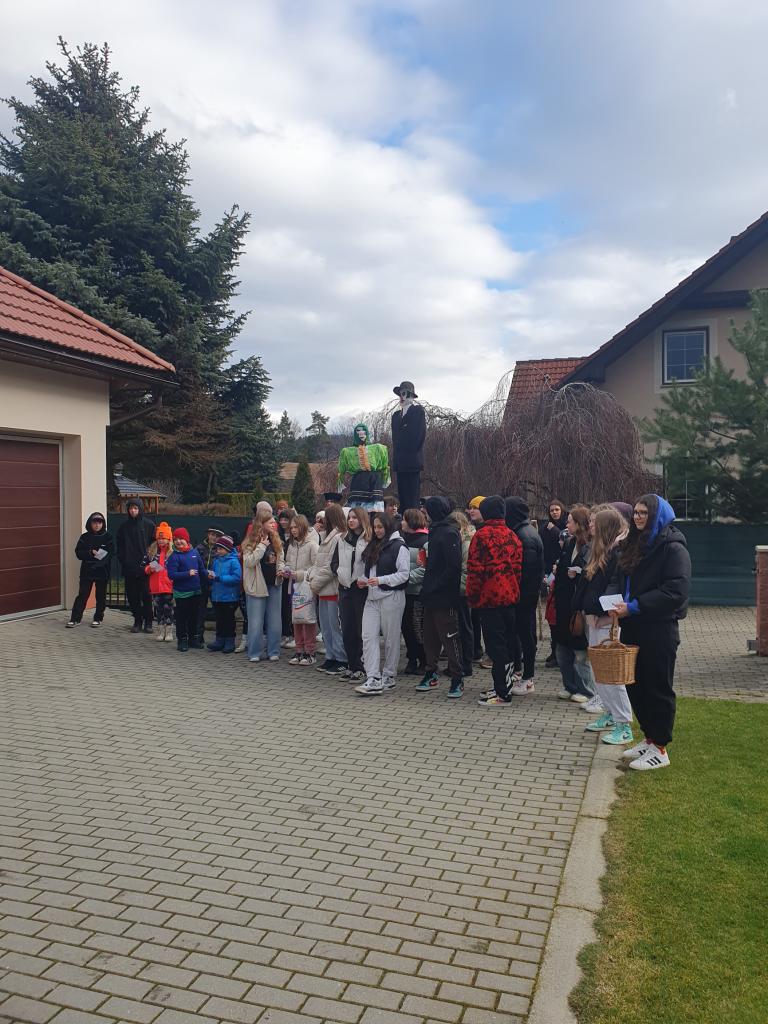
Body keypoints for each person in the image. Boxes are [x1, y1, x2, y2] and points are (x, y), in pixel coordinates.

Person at [611, 495, 691, 770]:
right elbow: (623, 578)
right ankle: (649, 738)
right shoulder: (634, 543)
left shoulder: (673, 547)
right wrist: (617, 603)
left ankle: (660, 748)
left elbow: (676, 591)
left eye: (644, 513)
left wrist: (635, 606)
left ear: (657, 515)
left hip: (659, 627)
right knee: (635, 685)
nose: (638, 517)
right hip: (633, 624)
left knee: (657, 687)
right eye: (635, 512)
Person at [577, 507, 634, 746]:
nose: (590, 525)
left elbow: (614, 590)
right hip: (596, 619)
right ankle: (610, 713)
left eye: (594, 522)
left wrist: (601, 612)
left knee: (612, 676)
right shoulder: (600, 551)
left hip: (608, 622)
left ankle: (624, 724)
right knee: (599, 673)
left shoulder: (617, 555)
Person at [467, 496, 522, 707]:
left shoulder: (482, 536)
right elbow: (517, 569)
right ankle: (503, 686)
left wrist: (473, 597)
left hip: (489, 599)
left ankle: (502, 693)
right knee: (507, 643)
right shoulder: (512, 535)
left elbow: (475, 570)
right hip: (510, 597)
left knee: (495, 647)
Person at [354, 513, 410, 696]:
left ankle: (389, 674)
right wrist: (363, 580)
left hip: (391, 596)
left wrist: (381, 580)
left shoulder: (399, 546)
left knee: (391, 637)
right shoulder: (374, 545)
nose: (377, 530)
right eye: (375, 527)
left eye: (380, 527)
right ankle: (373, 676)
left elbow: (404, 574)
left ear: (388, 526)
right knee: (368, 636)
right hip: (372, 597)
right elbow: (370, 571)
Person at [415, 497, 464, 698]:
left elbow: (453, 567)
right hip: (431, 594)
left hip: (445, 596)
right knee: (430, 637)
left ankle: (457, 678)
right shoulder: (435, 530)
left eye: (426, 510)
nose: (423, 513)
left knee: (449, 637)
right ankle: (431, 672)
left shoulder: (449, 532)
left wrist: (436, 585)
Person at [553, 505, 597, 703]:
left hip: (579, 605)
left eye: (570, 521)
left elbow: (591, 573)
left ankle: (586, 690)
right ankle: (569, 685)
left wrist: (578, 574)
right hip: (564, 603)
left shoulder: (590, 545)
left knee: (580, 652)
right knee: (562, 649)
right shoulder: (570, 543)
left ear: (579, 524)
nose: (567, 524)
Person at [505, 497, 545, 695]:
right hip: (523, 594)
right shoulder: (522, 531)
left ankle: (528, 678)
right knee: (520, 634)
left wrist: (517, 591)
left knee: (526, 636)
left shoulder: (525, 536)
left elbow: (526, 572)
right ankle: (520, 672)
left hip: (524, 596)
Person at [306, 503, 348, 675]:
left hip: (332, 589)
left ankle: (341, 659)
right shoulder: (327, 537)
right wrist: (312, 575)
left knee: (334, 627)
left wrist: (315, 583)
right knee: (326, 627)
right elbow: (319, 563)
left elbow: (331, 567)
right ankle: (331, 656)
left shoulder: (337, 538)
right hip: (324, 590)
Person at [242, 516, 285, 663]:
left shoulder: (276, 540)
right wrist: (261, 546)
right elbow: (249, 562)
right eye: (270, 522)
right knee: (256, 621)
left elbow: (281, 559)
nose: (274, 524)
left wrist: (281, 569)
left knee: (275, 620)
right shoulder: (250, 542)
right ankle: (254, 652)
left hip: (274, 584)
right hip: (257, 585)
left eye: (274, 522)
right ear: (262, 524)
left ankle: (274, 651)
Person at [337, 507, 371, 681]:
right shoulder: (342, 538)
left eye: (355, 518)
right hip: (345, 588)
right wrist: (340, 573)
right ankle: (351, 665)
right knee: (347, 629)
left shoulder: (368, 540)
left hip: (361, 589)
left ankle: (361, 666)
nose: (351, 520)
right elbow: (335, 561)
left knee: (360, 629)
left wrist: (364, 579)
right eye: (349, 517)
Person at [67, 512, 115, 628]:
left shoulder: (108, 537)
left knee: (100, 596)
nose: (97, 525)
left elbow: (111, 553)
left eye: (100, 523)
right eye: (95, 523)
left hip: (102, 571)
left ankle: (98, 618)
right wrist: (89, 552)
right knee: (82, 595)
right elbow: (78, 553)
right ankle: (75, 619)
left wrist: (100, 561)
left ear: (103, 524)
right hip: (87, 571)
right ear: (90, 523)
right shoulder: (84, 537)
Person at [283, 514, 320, 665]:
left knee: (308, 619)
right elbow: (287, 562)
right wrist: (285, 570)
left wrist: (299, 574)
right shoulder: (292, 545)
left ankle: (310, 652)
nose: (293, 530)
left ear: (303, 527)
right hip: (293, 586)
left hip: (306, 586)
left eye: (296, 527)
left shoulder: (312, 545)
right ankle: (299, 650)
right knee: (296, 619)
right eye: (291, 527)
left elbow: (316, 567)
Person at [116, 498, 156, 633]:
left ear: (140, 509)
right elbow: (119, 545)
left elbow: (154, 545)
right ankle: (137, 621)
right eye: (131, 508)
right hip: (129, 568)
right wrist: (123, 560)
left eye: (135, 508)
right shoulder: (123, 527)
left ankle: (149, 622)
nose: (133, 511)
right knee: (132, 596)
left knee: (146, 595)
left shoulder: (149, 525)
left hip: (145, 568)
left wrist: (151, 562)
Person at [166, 527, 207, 652]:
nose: (178, 541)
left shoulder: (194, 553)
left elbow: (201, 569)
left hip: (196, 591)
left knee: (194, 617)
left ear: (187, 540)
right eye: (176, 539)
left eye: (181, 539)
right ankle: (182, 640)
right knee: (182, 618)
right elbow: (171, 575)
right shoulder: (174, 557)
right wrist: (187, 573)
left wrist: (209, 575)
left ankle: (193, 639)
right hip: (182, 593)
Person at [446, 510, 476, 679]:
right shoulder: (465, 539)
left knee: (464, 626)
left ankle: (465, 663)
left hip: (463, 590)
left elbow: (465, 569)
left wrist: (459, 588)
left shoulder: (466, 542)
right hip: (463, 588)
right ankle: (462, 663)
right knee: (463, 626)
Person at [539, 498, 568, 666]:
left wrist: (556, 531)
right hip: (550, 571)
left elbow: (564, 545)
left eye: (557, 509)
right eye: (552, 510)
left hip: (561, 573)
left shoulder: (564, 527)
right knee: (551, 616)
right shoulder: (545, 527)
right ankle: (554, 650)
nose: (555, 513)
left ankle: (559, 653)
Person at [391, 381, 427, 514]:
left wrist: (409, 453)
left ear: (411, 395)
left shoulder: (417, 412)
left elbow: (419, 436)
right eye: (400, 394)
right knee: (403, 496)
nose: (401, 397)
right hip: (400, 463)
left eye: (404, 393)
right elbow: (395, 439)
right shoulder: (395, 416)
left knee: (412, 496)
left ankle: (413, 519)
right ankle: (404, 518)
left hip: (412, 461)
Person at [401, 508, 429, 674]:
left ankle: (424, 660)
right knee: (406, 628)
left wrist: (405, 579)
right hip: (404, 592)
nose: (401, 522)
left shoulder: (425, 542)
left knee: (418, 628)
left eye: (404, 519)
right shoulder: (402, 540)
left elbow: (425, 569)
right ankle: (412, 658)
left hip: (418, 593)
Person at [337, 424, 391, 511]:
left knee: (374, 507)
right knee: (358, 508)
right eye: (358, 431)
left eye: (364, 430)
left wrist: (385, 478)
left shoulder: (378, 448)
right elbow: (341, 469)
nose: (361, 433)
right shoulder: (347, 452)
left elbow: (385, 466)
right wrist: (340, 482)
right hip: (359, 480)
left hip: (374, 480)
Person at [206, 535, 243, 654]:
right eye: (217, 549)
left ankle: (230, 641)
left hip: (229, 597)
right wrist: (210, 577)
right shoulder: (216, 561)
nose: (218, 551)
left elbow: (237, 578)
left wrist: (220, 578)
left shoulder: (233, 561)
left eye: (221, 549)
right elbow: (214, 575)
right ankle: (219, 640)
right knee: (220, 619)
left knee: (228, 620)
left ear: (227, 549)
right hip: (217, 596)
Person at [142, 522, 175, 642]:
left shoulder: (173, 553)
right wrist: (149, 569)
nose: (161, 541)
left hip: (168, 586)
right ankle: (160, 631)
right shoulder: (151, 551)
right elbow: (143, 566)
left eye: (164, 538)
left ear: (169, 539)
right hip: (156, 587)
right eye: (159, 538)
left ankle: (169, 632)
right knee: (159, 610)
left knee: (169, 610)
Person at [195, 526, 223, 646]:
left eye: (217, 536)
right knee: (200, 610)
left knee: (218, 611)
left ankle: (219, 638)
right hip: (201, 583)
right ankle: (198, 636)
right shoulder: (199, 548)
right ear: (208, 534)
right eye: (212, 534)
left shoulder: (221, 550)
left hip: (215, 583)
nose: (214, 537)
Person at [276, 509, 295, 647]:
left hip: (294, 575)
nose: (283, 522)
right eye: (281, 519)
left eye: (286, 519)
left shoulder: (295, 537)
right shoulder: (278, 535)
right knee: (283, 606)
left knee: (292, 605)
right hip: (282, 574)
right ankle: (286, 633)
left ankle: (293, 634)